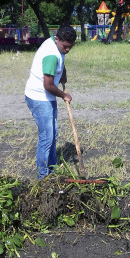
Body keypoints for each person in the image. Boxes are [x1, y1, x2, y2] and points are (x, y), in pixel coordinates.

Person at [24, 25, 77, 179]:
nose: (67, 50)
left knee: (53, 133)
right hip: (39, 97)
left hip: (47, 96)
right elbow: (48, 85)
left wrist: (63, 74)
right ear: (57, 39)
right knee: (47, 136)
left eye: (70, 48)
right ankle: (42, 176)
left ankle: (52, 170)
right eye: (65, 47)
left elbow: (62, 60)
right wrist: (63, 95)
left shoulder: (58, 47)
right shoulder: (51, 54)